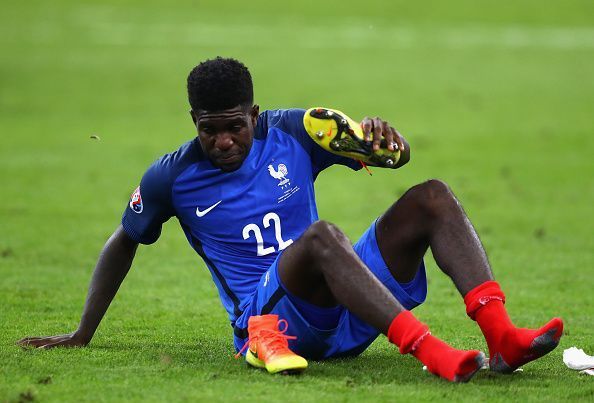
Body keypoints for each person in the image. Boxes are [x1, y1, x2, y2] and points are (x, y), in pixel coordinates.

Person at [18, 57, 563, 382]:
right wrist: (81, 333)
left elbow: (395, 159)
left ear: (254, 114)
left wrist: (389, 144)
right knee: (322, 237)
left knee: (432, 198)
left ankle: (502, 339)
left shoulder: (299, 130)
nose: (222, 141)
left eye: (234, 126)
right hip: (270, 325)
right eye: (209, 130)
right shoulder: (171, 178)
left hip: (344, 303)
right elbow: (125, 240)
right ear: (194, 122)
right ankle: (433, 352)